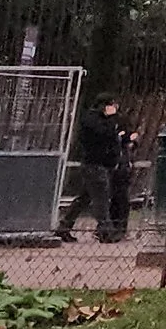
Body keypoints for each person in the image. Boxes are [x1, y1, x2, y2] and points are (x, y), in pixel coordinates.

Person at [60, 98, 128, 242]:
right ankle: (106, 231)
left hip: (102, 165)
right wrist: (112, 120)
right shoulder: (92, 120)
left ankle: (64, 227)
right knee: (101, 199)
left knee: (84, 198)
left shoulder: (105, 121)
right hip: (94, 164)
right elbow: (104, 135)